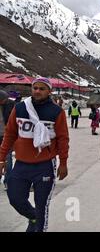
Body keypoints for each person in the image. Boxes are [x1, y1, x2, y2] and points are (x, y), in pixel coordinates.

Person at [0, 77, 69, 232]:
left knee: (42, 204)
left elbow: (63, 139)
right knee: (15, 198)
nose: (37, 91)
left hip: (45, 165)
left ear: (49, 91)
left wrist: (63, 162)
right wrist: (1, 158)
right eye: (35, 88)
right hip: (22, 163)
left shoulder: (56, 112)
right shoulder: (20, 108)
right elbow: (10, 135)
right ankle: (34, 217)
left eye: (42, 88)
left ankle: (37, 226)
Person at [0, 90, 15, 190]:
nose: (5, 101)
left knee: (8, 160)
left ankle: (8, 181)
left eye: (6, 99)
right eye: (3, 100)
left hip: (6, 136)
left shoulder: (10, 105)